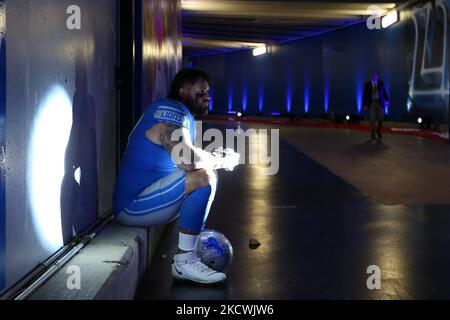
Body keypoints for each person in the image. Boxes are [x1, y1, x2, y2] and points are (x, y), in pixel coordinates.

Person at [113, 68, 239, 284]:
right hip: (133, 206)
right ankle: (185, 262)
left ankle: (188, 254)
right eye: (201, 92)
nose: (207, 97)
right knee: (204, 176)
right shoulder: (170, 109)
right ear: (182, 92)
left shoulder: (182, 114)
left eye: (208, 92)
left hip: (147, 198)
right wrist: (222, 160)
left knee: (204, 171)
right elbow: (187, 160)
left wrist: (214, 157)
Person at [363, 72, 390, 140]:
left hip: (379, 102)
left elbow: (384, 92)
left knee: (381, 118)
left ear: (377, 77)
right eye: (373, 76)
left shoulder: (381, 83)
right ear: (371, 77)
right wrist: (365, 105)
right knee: (372, 119)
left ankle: (378, 130)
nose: (374, 77)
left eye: (375, 76)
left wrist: (387, 100)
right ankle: (373, 133)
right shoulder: (367, 85)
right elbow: (365, 96)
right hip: (371, 103)